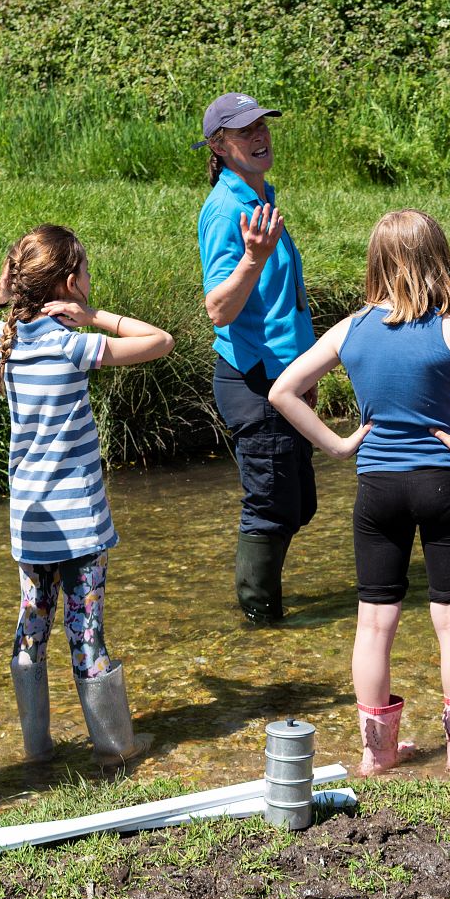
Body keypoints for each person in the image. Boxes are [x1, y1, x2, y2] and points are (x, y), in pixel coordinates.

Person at [270, 210, 450, 777]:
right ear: (437, 259)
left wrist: (339, 446)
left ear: (376, 262)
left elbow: (283, 391)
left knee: (373, 623)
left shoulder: (350, 331)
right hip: (444, 484)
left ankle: (377, 752)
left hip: (378, 489)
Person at [0, 226, 172, 766]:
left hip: (30, 522)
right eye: (83, 271)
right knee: (87, 630)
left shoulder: (6, 340)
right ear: (70, 281)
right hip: (81, 521)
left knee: (33, 626)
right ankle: (115, 746)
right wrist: (96, 316)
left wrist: (2, 294)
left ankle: (37, 748)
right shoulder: (74, 344)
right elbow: (161, 341)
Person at [196, 91, 317, 623]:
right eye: (245, 131)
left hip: (287, 376)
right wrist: (251, 258)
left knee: (298, 503)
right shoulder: (226, 210)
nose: (259, 135)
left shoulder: (260, 195)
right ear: (219, 145)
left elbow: (285, 301)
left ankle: (267, 599)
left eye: (262, 125)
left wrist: (309, 370)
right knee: (270, 504)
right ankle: (260, 618)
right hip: (255, 381)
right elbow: (219, 308)